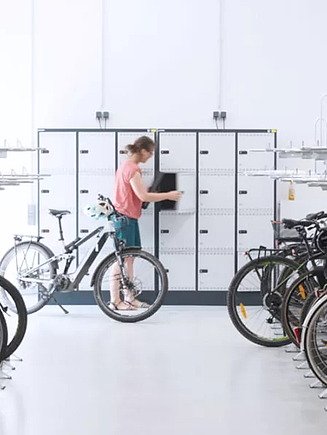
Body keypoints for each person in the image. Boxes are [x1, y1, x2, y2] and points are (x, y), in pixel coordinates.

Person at [109, 135, 181, 310]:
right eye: (150, 152)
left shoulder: (125, 167)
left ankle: (129, 298)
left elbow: (136, 194)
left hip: (128, 217)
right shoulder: (132, 169)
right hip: (124, 218)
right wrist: (168, 195)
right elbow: (143, 196)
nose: (150, 156)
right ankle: (114, 301)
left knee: (129, 260)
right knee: (121, 260)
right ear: (142, 151)